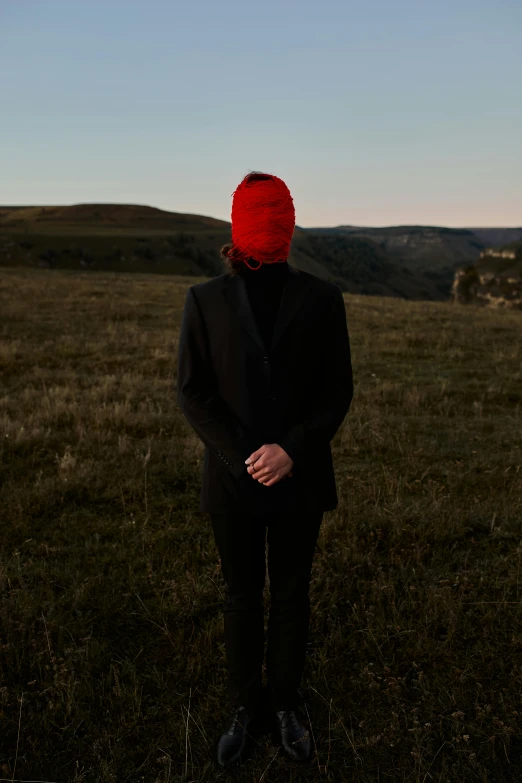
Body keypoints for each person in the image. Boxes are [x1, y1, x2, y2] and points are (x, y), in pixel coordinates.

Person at [176, 171, 354, 767]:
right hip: (232, 483)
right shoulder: (203, 300)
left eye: (273, 213)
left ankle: (285, 705)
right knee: (241, 596)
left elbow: (337, 391)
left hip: (301, 479)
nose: (269, 224)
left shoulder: (323, 298)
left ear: (289, 221)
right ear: (240, 221)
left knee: (293, 594)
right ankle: (244, 707)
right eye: (262, 214)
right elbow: (192, 392)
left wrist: (293, 450)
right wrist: (243, 456)